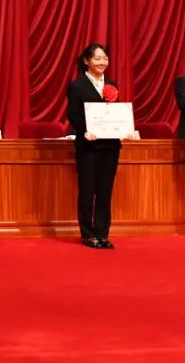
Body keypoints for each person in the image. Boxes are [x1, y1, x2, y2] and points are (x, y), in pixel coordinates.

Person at [67, 43, 135, 249]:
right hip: (88, 146)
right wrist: (83, 131)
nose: (102, 62)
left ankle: (102, 233)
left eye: (105, 58)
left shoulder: (111, 84)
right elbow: (74, 115)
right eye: (97, 58)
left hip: (110, 146)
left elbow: (116, 114)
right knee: (88, 190)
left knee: (105, 191)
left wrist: (125, 129)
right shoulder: (77, 85)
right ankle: (88, 234)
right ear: (86, 60)